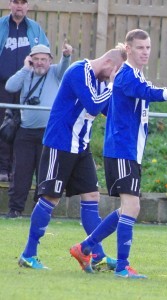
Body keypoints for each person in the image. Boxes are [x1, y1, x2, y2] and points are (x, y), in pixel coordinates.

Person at [69, 29, 167, 278]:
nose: (145, 52)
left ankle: (84, 247)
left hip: (129, 151)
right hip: (122, 149)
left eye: (148, 47)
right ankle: (122, 267)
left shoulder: (135, 75)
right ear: (129, 49)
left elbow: (143, 89)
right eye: (140, 48)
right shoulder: (125, 75)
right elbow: (145, 91)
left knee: (127, 209)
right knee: (131, 207)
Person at [18, 44, 127, 270]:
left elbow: (109, 109)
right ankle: (29, 254)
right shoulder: (79, 71)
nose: (114, 77)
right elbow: (94, 106)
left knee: (91, 196)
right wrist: (113, 85)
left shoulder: (102, 80)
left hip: (80, 147)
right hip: (60, 143)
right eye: (116, 72)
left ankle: (96, 255)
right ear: (109, 64)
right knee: (50, 198)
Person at [4, 41, 72, 219]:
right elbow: (10, 86)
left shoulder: (56, 72)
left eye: (44, 59)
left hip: (48, 132)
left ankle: (40, 209)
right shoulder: (26, 73)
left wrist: (66, 56)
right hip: (25, 132)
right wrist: (26, 68)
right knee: (21, 172)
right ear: (30, 60)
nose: (40, 62)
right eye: (36, 59)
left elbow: (65, 67)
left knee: (45, 172)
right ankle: (15, 209)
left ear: (50, 60)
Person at [0, 0, 49, 182]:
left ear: (27, 6)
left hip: (27, 87)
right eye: (15, 2)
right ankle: (2, 168)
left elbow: (45, 55)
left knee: (20, 128)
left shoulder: (35, 29)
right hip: (3, 85)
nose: (19, 6)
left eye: (23, 2)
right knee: (3, 127)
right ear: (10, 4)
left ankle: (15, 170)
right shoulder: (2, 26)